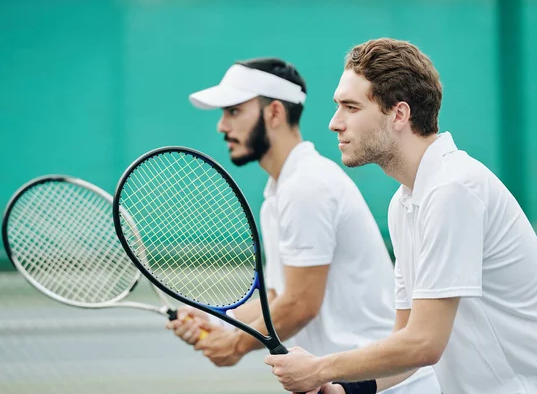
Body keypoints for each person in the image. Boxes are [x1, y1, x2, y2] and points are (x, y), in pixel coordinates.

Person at [264, 38, 537, 394]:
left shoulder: (453, 189)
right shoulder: (405, 202)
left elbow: (424, 343)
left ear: (399, 114)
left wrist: (320, 368)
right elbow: (406, 344)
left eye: (351, 107)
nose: (335, 123)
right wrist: (345, 389)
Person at [166, 57, 440, 393]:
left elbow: (300, 304)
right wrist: (216, 321)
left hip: (387, 384)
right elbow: (279, 295)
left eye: (234, 111)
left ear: (275, 113)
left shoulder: (307, 186)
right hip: (345, 384)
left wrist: (235, 345)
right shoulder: (282, 191)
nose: (222, 126)